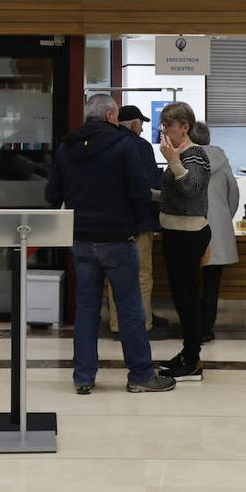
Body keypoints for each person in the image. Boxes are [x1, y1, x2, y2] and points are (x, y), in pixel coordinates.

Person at [45, 94, 175, 394]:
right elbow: (140, 192)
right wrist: (133, 222)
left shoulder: (67, 148)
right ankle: (141, 375)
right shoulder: (125, 145)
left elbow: (52, 194)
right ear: (109, 116)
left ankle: (83, 377)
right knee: (129, 309)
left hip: (80, 240)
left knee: (86, 310)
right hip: (117, 239)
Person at [155, 101, 211, 382]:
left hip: (188, 234)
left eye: (168, 125)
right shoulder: (177, 155)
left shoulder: (195, 154)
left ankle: (192, 359)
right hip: (174, 231)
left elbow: (191, 189)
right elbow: (174, 192)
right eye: (162, 124)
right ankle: (189, 353)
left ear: (184, 127)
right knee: (180, 295)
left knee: (187, 297)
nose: (163, 130)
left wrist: (173, 162)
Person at [103, 104, 164, 334]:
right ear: (136, 124)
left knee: (115, 276)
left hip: (110, 224)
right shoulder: (141, 146)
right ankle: (142, 324)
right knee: (141, 276)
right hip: (139, 222)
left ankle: (117, 325)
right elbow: (149, 186)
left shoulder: (105, 144)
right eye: (141, 125)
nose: (141, 130)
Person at [189, 121, 239, 344]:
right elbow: (233, 195)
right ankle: (206, 329)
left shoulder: (185, 158)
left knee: (189, 283)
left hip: (189, 228)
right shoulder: (222, 160)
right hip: (216, 230)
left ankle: (190, 327)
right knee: (211, 284)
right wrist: (224, 218)